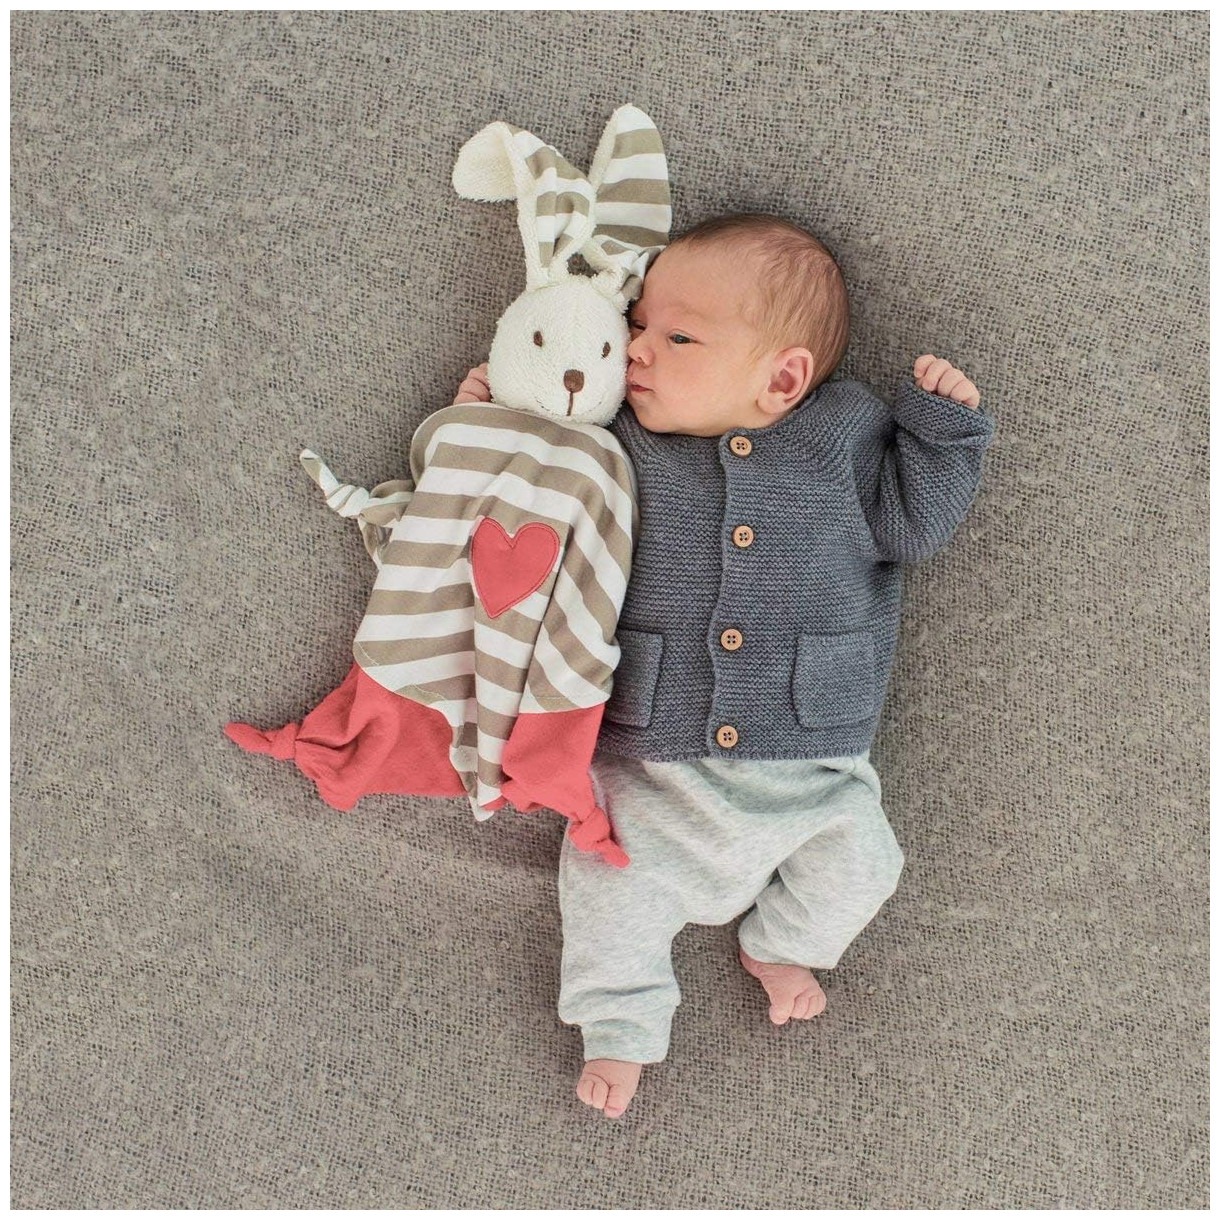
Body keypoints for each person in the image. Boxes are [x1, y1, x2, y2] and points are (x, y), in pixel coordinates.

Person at [456, 212, 995, 1119]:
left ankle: (784, 944)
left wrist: (945, 434)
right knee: (606, 893)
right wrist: (499, 419)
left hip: (812, 772)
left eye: (677, 337)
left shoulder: (843, 438)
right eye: (638, 326)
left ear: (782, 377)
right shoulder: (622, 443)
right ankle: (619, 1025)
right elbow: (542, 487)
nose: (637, 349)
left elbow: (915, 525)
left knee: (867, 862)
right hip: (649, 771)